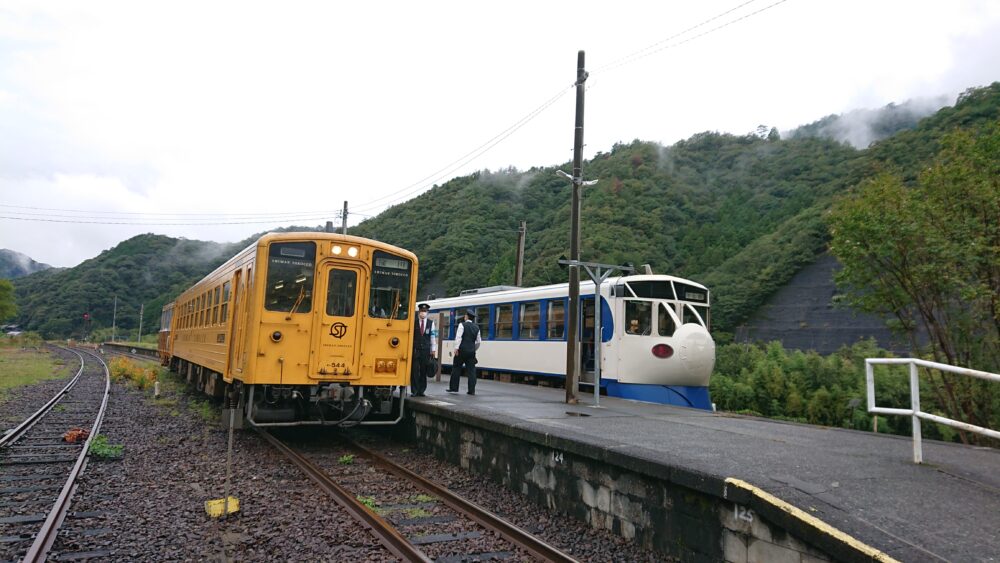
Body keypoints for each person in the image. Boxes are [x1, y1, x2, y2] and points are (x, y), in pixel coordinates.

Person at [448, 308, 481, 395]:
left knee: (456, 368)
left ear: (466, 317)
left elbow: (458, 337)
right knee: (471, 371)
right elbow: (478, 342)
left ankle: (454, 388)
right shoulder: (477, 327)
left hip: (461, 350)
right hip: (471, 352)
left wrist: (456, 348)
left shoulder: (461, 325)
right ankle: (471, 390)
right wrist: (474, 349)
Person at [409, 303, 436, 397]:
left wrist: (433, 350)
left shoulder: (430, 323)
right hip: (416, 349)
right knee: (415, 370)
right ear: (419, 312)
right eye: (421, 311)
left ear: (427, 312)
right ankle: (414, 390)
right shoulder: (414, 322)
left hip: (426, 350)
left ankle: (422, 390)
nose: (423, 313)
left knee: (424, 371)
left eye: (425, 311)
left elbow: (432, 337)